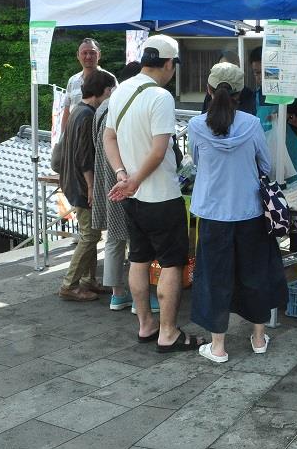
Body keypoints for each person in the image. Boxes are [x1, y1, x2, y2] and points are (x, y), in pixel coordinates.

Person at [104, 35, 202, 352]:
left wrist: (124, 176)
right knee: (172, 263)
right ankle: (168, 333)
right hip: (160, 196)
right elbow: (160, 151)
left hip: (132, 199)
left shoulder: (121, 90)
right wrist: (134, 180)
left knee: (139, 258)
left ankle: (146, 325)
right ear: (170, 63)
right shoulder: (160, 97)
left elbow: (109, 138)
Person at [189, 62, 288, 363]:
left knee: (214, 277)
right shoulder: (252, 124)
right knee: (255, 273)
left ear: (208, 89)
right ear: (240, 92)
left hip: (213, 213)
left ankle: (218, 346)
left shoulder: (196, 125)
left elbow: (196, 163)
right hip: (249, 212)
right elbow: (267, 166)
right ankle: (259, 337)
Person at [58, 69, 117, 301]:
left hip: (73, 182)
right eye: (110, 90)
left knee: (91, 233)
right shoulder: (86, 116)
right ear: (103, 91)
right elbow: (84, 157)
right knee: (89, 236)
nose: (111, 94)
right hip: (82, 185)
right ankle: (69, 284)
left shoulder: (78, 111)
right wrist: (92, 187)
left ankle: (88, 280)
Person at [92, 61, 142, 311]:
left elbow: (97, 142)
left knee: (113, 237)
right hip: (127, 179)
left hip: (107, 176)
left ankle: (116, 294)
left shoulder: (102, 107)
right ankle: (138, 298)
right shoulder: (130, 104)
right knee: (137, 239)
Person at [248, 46, 297, 184]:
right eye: (256, 73)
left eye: (265, 72)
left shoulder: (294, 92)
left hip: (292, 162)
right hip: (264, 166)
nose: (261, 78)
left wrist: (289, 118)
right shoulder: (254, 97)